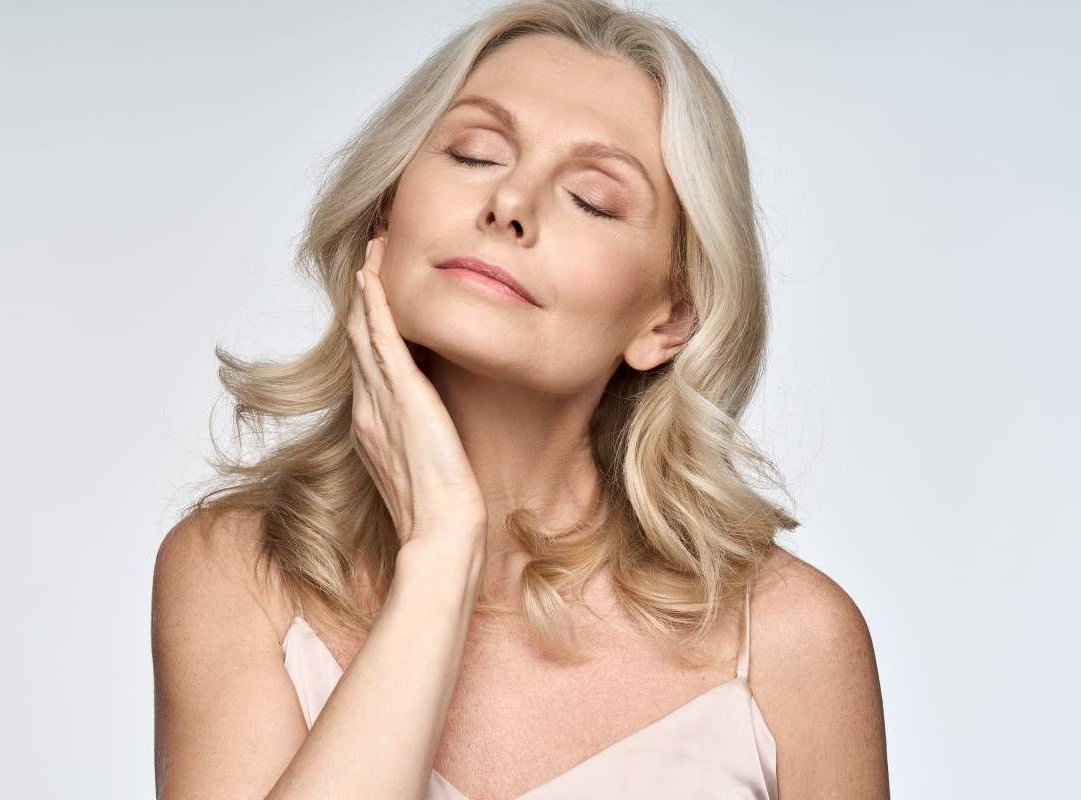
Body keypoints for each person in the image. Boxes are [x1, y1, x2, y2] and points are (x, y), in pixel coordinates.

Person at [151, 1, 889, 797]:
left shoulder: (792, 642)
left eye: (594, 199)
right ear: (385, 210)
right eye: (473, 153)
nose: (509, 204)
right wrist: (439, 556)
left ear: (668, 318)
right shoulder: (238, 573)